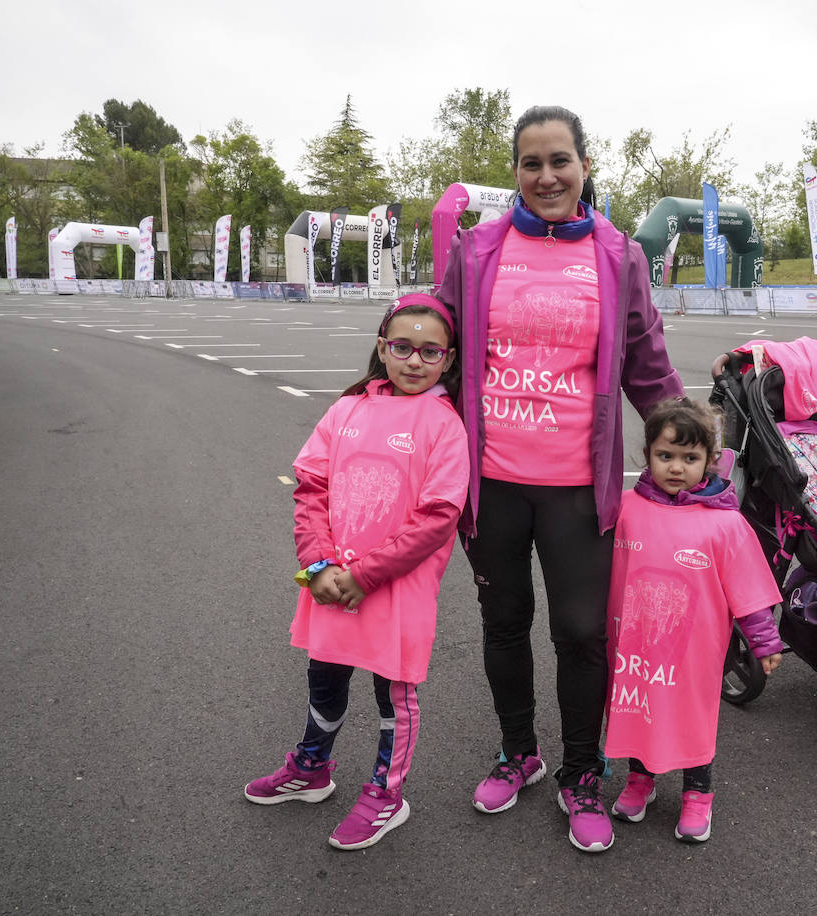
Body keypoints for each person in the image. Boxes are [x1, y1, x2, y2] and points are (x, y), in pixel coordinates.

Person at [436, 104, 685, 853]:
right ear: (515, 171)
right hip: (493, 481)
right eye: (530, 163)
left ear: (584, 165)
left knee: (580, 633)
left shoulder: (618, 254)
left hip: (579, 488)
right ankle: (520, 754)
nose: (546, 176)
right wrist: (383, 419)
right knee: (504, 624)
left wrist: (699, 455)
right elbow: (441, 348)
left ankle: (582, 775)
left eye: (559, 161)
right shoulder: (477, 249)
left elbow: (646, 362)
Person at [243, 294, 469, 851]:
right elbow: (311, 489)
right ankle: (312, 768)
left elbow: (437, 517)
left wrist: (365, 574)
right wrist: (317, 563)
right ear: (381, 349)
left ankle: (387, 794)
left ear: (449, 359)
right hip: (329, 582)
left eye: (430, 352)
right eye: (402, 347)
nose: (414, 361)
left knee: (394, 696)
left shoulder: (446, 425)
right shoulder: (346, 410)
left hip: (394, 591)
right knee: (325, 679)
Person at [605, 399, 784, 844]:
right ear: (647, 456)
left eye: (690, 458)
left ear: (709, 461)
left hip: (693, 654)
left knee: (691, 716)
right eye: (666, 456)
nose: (676, 468)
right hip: (634, 649)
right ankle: (639, 780)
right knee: (637, 709)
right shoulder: (625, 508)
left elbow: (750, 592)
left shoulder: (724, 524)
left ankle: (697, 794)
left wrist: (764, 641)